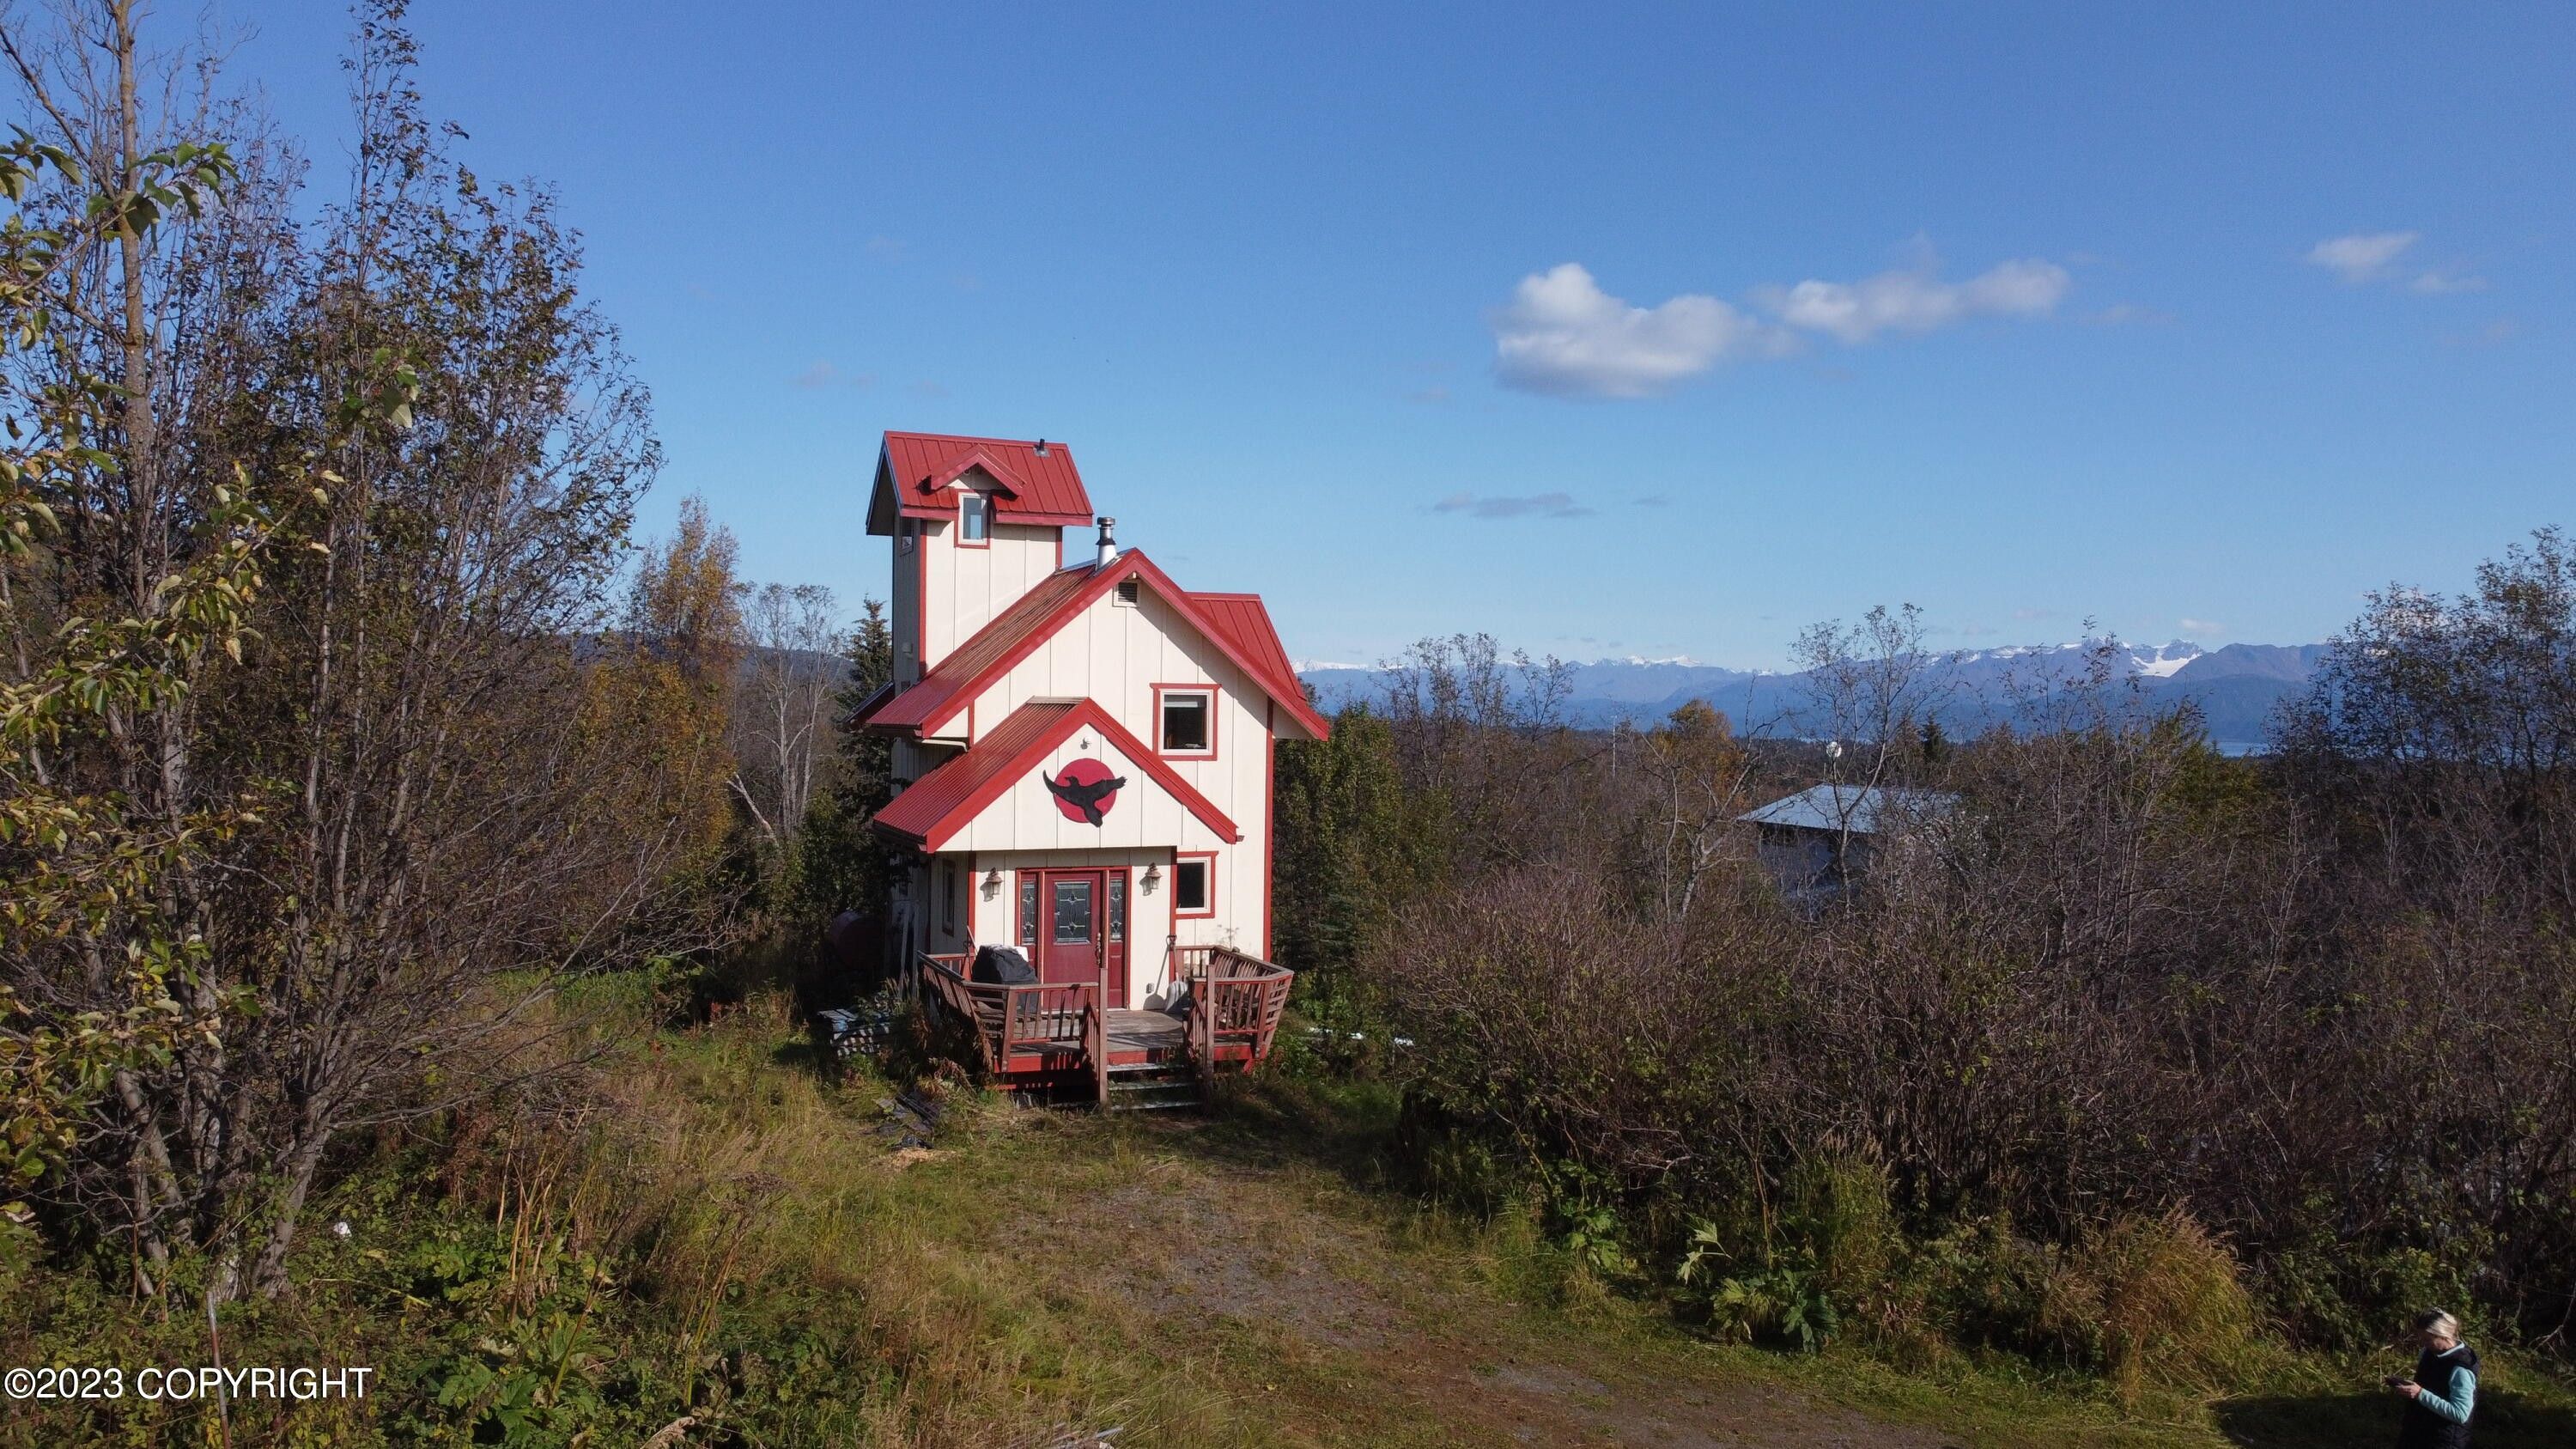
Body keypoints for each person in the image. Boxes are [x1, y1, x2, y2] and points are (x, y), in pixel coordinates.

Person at [2389, 1309, 2477, 1448]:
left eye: (2427, 1339)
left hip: (2443, 1441)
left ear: (2443, 1335)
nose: (2423, 1343)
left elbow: (2461, 1414)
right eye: (2421, 1338)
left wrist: (2420, 1394)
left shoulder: (2460, 1369)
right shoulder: (2428, 1353)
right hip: (2417, 1433)